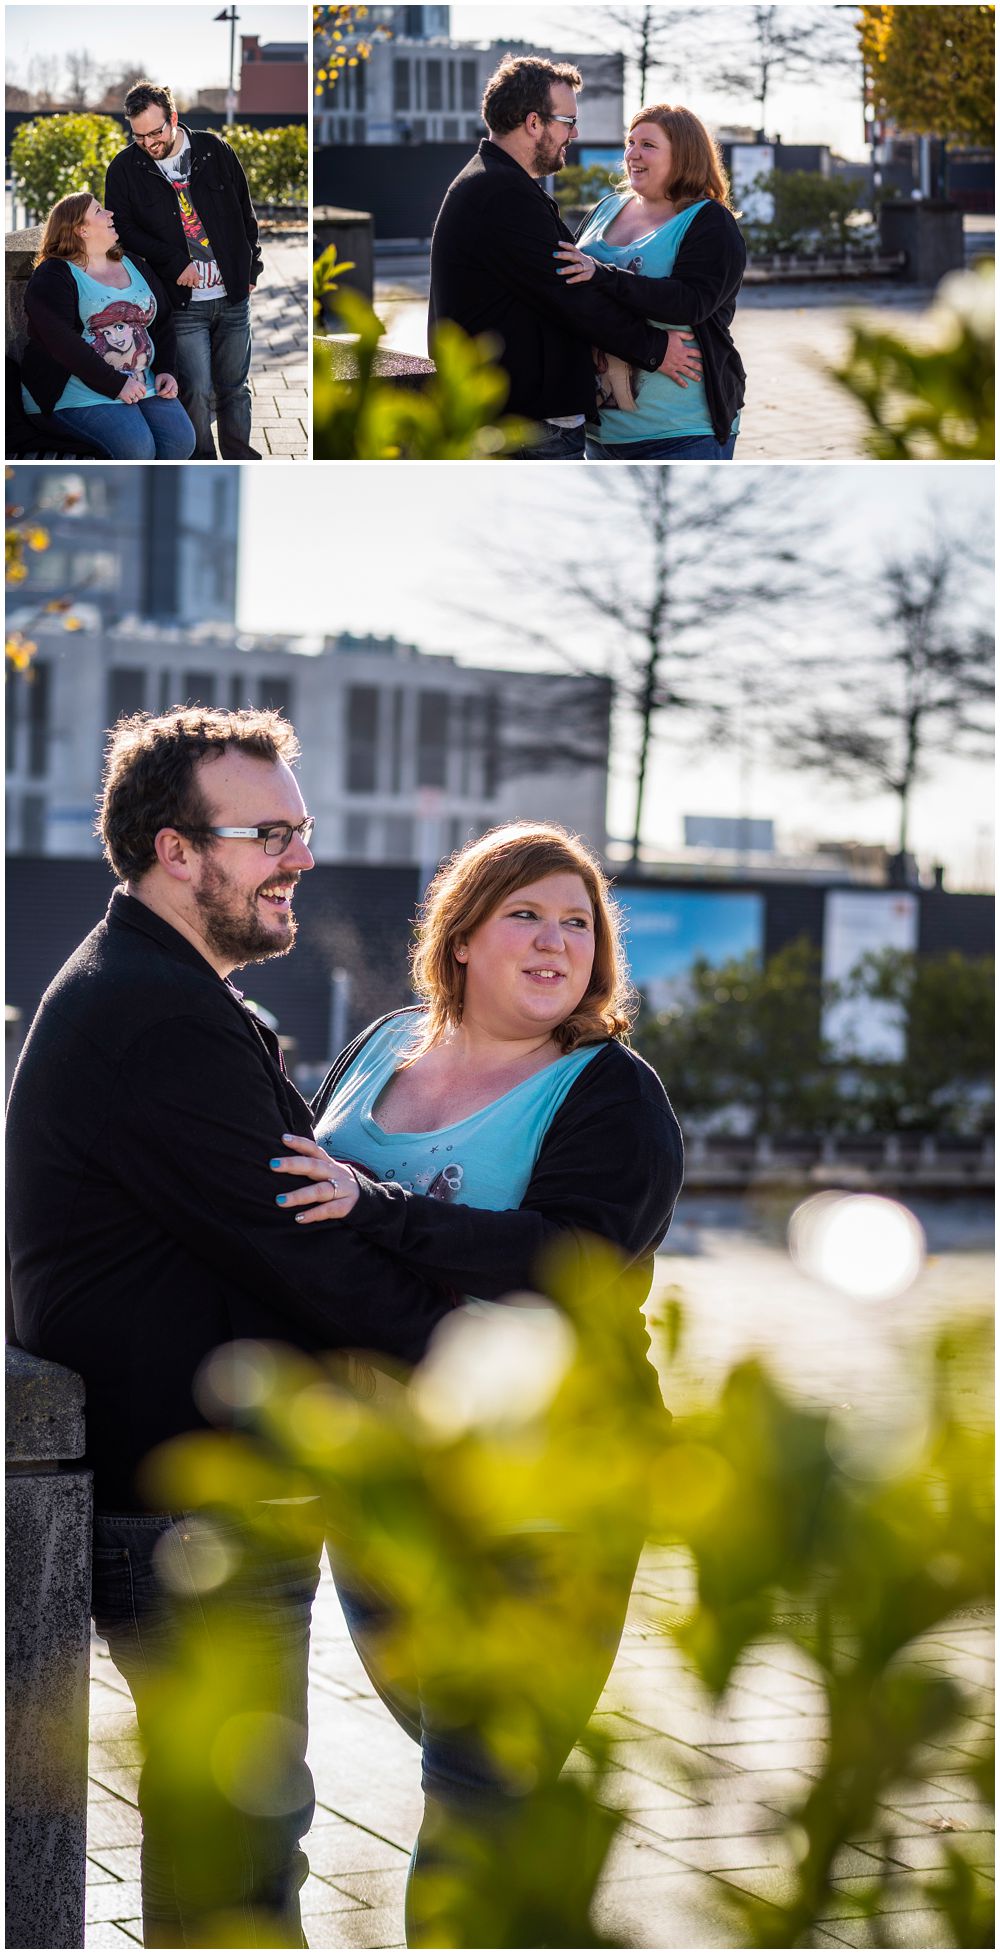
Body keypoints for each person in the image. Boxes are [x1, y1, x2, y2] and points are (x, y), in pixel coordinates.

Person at [5, 707, 457, 1949]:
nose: (299, 857)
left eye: (300, 829)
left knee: (237, 1840)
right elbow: (300, 1254)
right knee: (239, 1864)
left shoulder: (154, 993)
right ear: (174, 850)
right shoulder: (151, 1013)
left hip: (190, 1496)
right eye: (270, 833)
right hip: (192, 1514)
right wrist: (494, 1346)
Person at [265, 822, 684, 1943]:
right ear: (461, 935)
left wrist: (378, 1209)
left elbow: (577, 1265)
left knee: (479, 1782)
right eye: (527, 915)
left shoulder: (608, 1091)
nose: (556, 943)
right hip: (382, 1474)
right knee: (466, 1754)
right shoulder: (384, 1044)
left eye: (579, 924)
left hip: (548, 1485)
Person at [429, 56, 702, 459]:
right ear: (534, 123)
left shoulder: (490, 181)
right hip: (526, 426)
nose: (573, 134)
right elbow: (571, 295)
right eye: (568, 121)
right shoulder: (502, 193)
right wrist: (656, 349)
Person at [554, 105, 747, 460]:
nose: (632, 154)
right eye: (630, 142)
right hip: (598, 434)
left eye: (648, 145)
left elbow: (689, 303)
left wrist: (602, 274)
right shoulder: (606, 208)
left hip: (682, 433)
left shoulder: (709, 222)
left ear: (684, 155)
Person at [106, 81, 263, 461]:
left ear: (173, 118)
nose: (148, 142)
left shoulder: (214, 149)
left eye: (155, 132)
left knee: (235, 388)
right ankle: (203, 461)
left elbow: (244, 209)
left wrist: (252, 266)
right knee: (195, 388)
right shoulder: (124, 169)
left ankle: (241, 457)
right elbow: (122, 232)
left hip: (233, 296)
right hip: (182, 302)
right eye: (139, 135)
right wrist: (175, 263)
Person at [20, 191, 195, 460]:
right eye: (99, 211)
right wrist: (116, 385)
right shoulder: (54, 274)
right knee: (138, 450)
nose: (110, 213)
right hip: (74, 393)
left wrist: (166, 370)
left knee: (181, 443)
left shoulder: (133, 263)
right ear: (82, 230)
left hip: (141, 383)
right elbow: (62, 344)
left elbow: (161, 322)